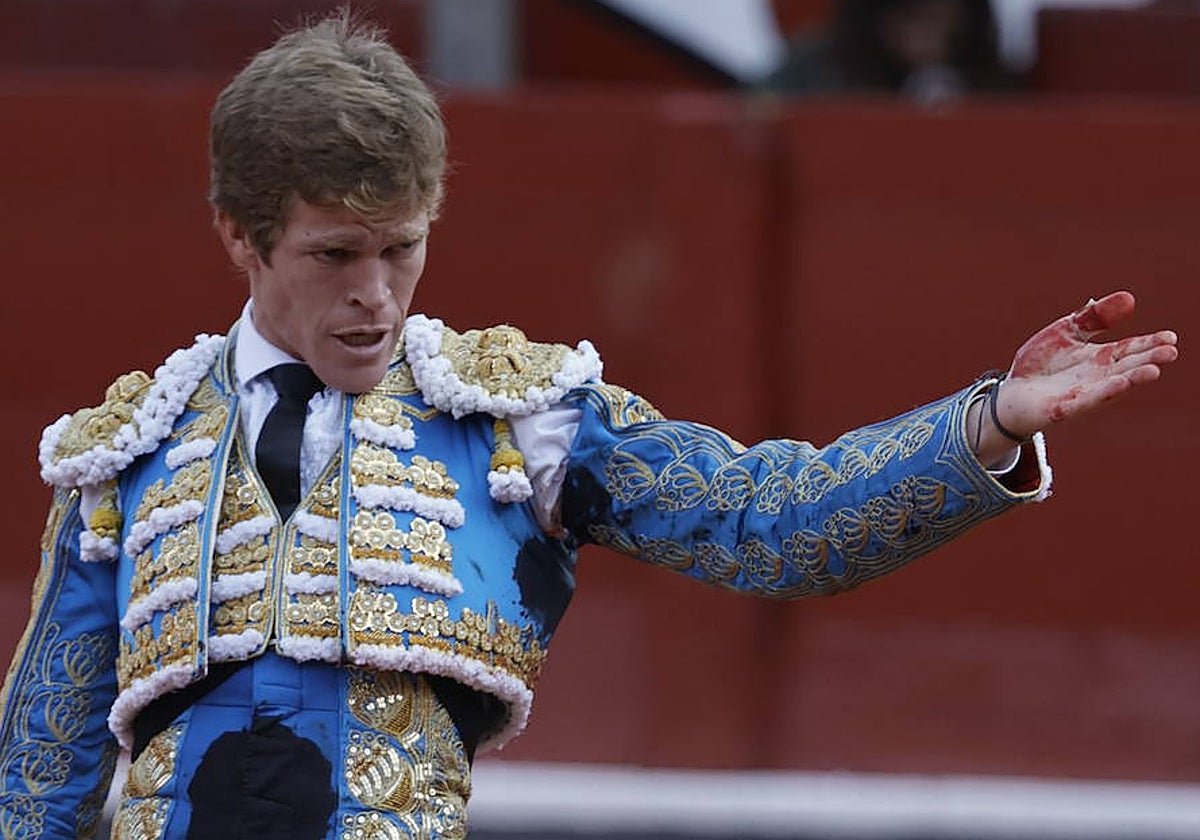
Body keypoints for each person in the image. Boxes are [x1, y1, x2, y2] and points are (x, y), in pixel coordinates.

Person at [0, 11, 1178, 840]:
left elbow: (774, 521)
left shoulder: (522, 421)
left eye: (402, 249)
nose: (375, 294)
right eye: (334, 256)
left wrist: (986, 424)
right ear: (240, 240)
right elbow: (39, 785)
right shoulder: (124, 459)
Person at [764, 0, 1016, 103]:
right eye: (913, 19)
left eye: (947, 30)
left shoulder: (988, 79)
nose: (930, 43)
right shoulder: (814, 70)